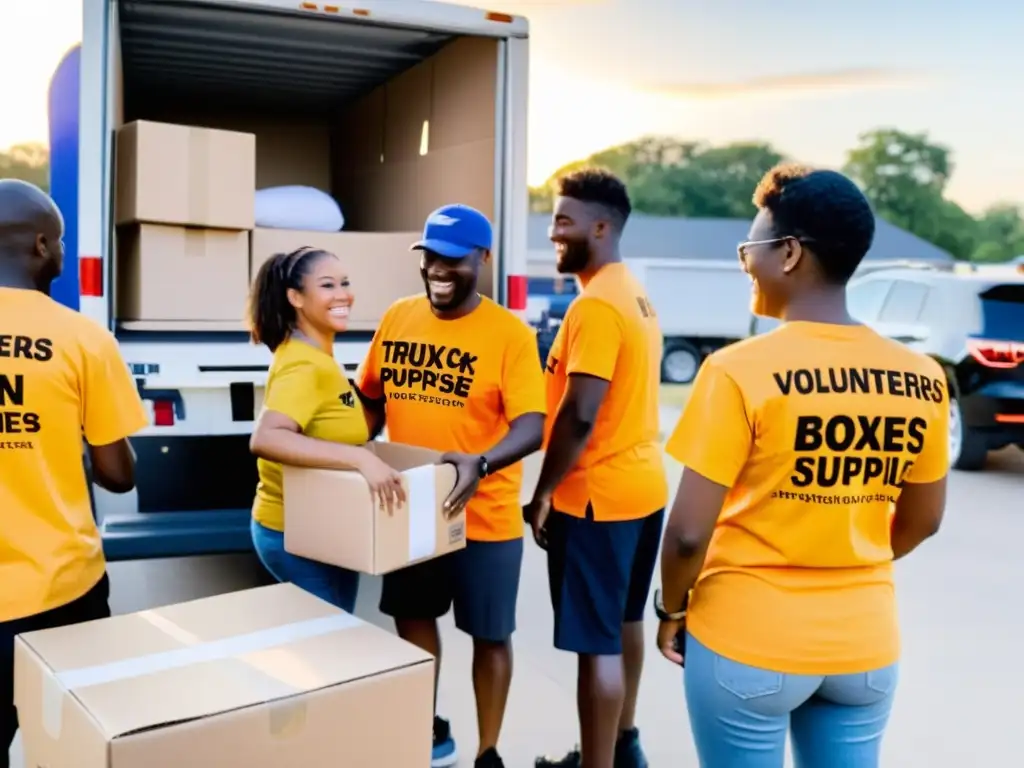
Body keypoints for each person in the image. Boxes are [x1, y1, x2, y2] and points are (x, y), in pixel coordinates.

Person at [655, 164, 949, 767]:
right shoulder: (921, 377)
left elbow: (687, 534)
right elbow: (923, 521)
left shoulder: (739, 370)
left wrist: (672, 609)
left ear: (789, 253)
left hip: (747, 640)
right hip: (864, 647)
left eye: (750, 248)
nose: (746, 264)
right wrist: (843, 559)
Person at [355, 204, 546, 768]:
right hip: (411, 505)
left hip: (482, 513)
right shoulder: (398, 317)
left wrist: (480, 462)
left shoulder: (509, 333)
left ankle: (489, 751)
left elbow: (532, 425)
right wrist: (343, 444)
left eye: (452, 260)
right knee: (412, 619)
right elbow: (370, 396)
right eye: (430, 257)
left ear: (483, 259)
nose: (437, 269)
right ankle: (426, 725)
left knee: (489, 634)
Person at [0, 180, 149, 767]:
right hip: (61, 593)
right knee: (70, 749)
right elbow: (118, 475)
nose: (62, 255)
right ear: (41, 246)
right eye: (59, 243)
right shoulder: (83, 338)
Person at [525, 169, 667, 768]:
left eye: (564, 220)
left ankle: (597, 764)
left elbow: (580, 413)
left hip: (596, 498)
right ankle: (623, 745)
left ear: (601, 227)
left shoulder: (596, 306)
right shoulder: (631, 290)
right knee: (624, 623)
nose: (553, 232)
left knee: (596, 646)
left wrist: (544, 491)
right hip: (642, 488)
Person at [247, 246, 406, 612]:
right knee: (331, 649)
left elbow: (332, 424)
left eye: (345, 283)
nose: (342, 295)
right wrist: (359, 460)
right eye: (327, 285)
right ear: (296, 298)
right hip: (296, 533)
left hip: (324, 526)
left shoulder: (321, 356)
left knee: (331, 639)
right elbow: (267, 437)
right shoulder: (305, 365)